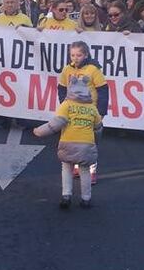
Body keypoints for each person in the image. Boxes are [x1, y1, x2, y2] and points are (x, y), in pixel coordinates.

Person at [33, 74, 102, 209]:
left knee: (66, 168)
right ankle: (86, 198)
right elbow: (98, 128)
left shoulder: (67, 105)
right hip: (87, 144)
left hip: (68, 142)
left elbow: (57, 123)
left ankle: (66, 195)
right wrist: (95, 142)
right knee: (85, 171)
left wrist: (39, 131)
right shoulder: (92, 108)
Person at [58, 41, 108, 184]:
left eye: (79, 55)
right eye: (72, 55)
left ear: (86, 55)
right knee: (74, 140)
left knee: (89, 143)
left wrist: (101, 111)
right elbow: (61, 87)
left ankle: (91, 170)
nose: (75, 58)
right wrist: (64, 104)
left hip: (90, 112)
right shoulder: (67, 69)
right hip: (72, 112)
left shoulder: (93, 70)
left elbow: (103, 90)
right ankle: (75, 166)